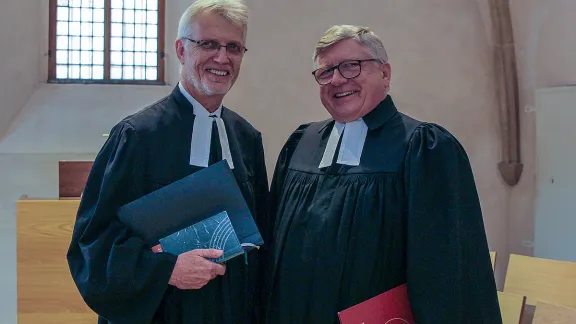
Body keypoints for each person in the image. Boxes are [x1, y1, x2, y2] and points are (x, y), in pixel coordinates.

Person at [262, 25, 502, 323]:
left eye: (351, 66)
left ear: (385, 74)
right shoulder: (301, 144)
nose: (337, 79)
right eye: (325, 72)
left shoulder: (423, 149)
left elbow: (447, 273)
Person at [66, 1, 268, 323]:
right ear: (181, 49)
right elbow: (93, 245)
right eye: (208, 44)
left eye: (234, 47)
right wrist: (166, 271)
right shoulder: (135, 136)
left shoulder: (247, 139)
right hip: (164, 312)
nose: (222, 57)